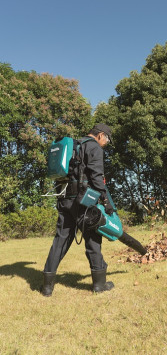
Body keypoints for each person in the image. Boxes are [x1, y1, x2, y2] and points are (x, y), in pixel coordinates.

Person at [41, 123, 115, 297]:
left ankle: (47, 287)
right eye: (107, 139)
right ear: (100, 135)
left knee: (60, 240)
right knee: (92, 240)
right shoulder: (94, 148)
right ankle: (99, 285)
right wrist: (106, 201)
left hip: (65, 199)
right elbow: (97, 177)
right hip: (84, 202)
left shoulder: (73, 146)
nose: (106, 143)